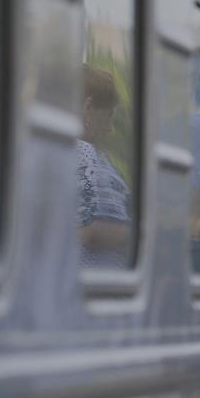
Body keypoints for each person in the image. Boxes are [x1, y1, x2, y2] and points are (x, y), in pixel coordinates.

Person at [75, 65, 133, 268]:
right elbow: (85, 229)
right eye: (108, 116)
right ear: (88, 109)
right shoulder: (82, 152)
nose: (109, 128)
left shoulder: (84, 153)